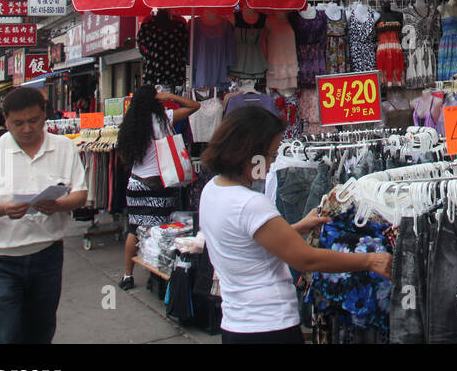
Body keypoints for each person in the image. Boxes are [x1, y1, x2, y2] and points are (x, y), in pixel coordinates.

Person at [201, 105, 393, 344]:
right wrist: (369, 261)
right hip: (269, 327)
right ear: (251, 153)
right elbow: (306, 259)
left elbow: (246, 243)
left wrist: (298, 227)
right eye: (271, 154)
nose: (272, 164)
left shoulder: (213, 190)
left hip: (236, 326)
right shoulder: (250, 203)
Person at [0, 86, 88, 344]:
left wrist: (57, 205)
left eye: (33, 121)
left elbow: (80, 195)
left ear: (44, 116)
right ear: (5, 120)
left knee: (40, 332)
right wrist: (2, 208)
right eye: (18, 123)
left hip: (46, 256)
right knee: (3, 335)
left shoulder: (64, 148)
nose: (27, 129)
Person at [116, 84, 200, 291]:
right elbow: (194, 106)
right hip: (160, 183)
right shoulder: (164, 118)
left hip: (136, 183)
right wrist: (169, 96)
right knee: (162, 230)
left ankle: (127, 275)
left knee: (134, 229)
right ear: (155, 100)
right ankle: (158, 277)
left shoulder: (130, 125)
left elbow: (124, 156)